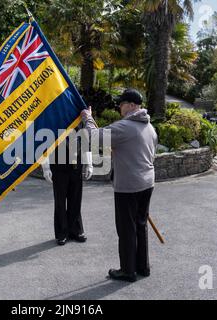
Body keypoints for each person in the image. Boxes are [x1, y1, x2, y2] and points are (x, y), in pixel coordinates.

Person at [80, 88, 157, 282]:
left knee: (126, 229)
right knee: (140, 225)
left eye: (122, 103)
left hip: (129, 186)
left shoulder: (125, 126)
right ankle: (142, 266)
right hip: (147, 182)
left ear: (132, 105)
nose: (119, 106)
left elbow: (94, 137)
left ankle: (128, 270)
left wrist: (87, 118)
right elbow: (146, 151)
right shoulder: (149, 127)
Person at [41, 125, 93, 246]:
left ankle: (76, 230)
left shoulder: (78, 120)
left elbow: (85, 142)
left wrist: (89, 164)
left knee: (75, 199)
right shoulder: (54, 121)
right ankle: (62, 232)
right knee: (60, 201)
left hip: (76, 166)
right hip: (58, 167)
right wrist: (46, 167)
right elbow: (44, 143)